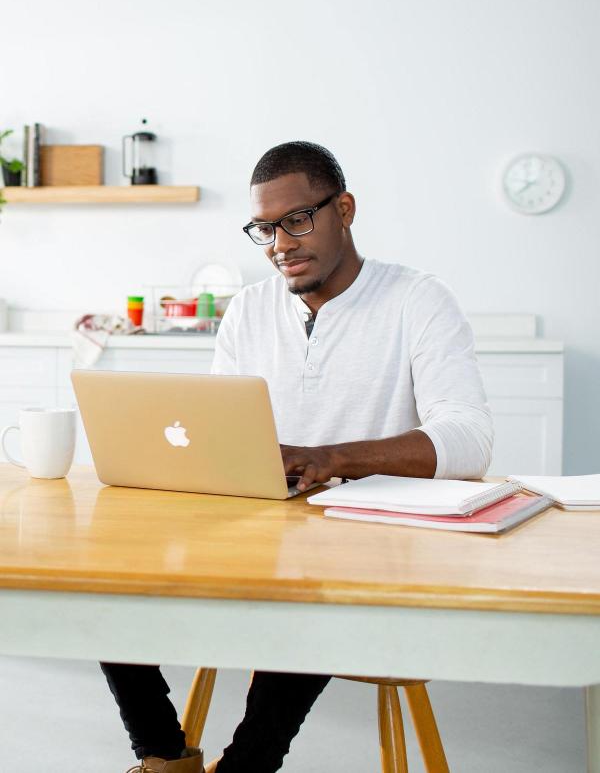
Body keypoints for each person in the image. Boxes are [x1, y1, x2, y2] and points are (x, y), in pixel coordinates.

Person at [102, 140, 493, 773]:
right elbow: (217, 429)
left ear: (345, 209)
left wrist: (331, 457)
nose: (281, 243)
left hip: (366, 555)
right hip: (258, 543)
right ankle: (164, 758)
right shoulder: (250, 309)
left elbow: (469, 438)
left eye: (298, 220)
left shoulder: (418, 300)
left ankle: (246, 766)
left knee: (310, 595)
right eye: (265, 228)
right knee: (106, 586)